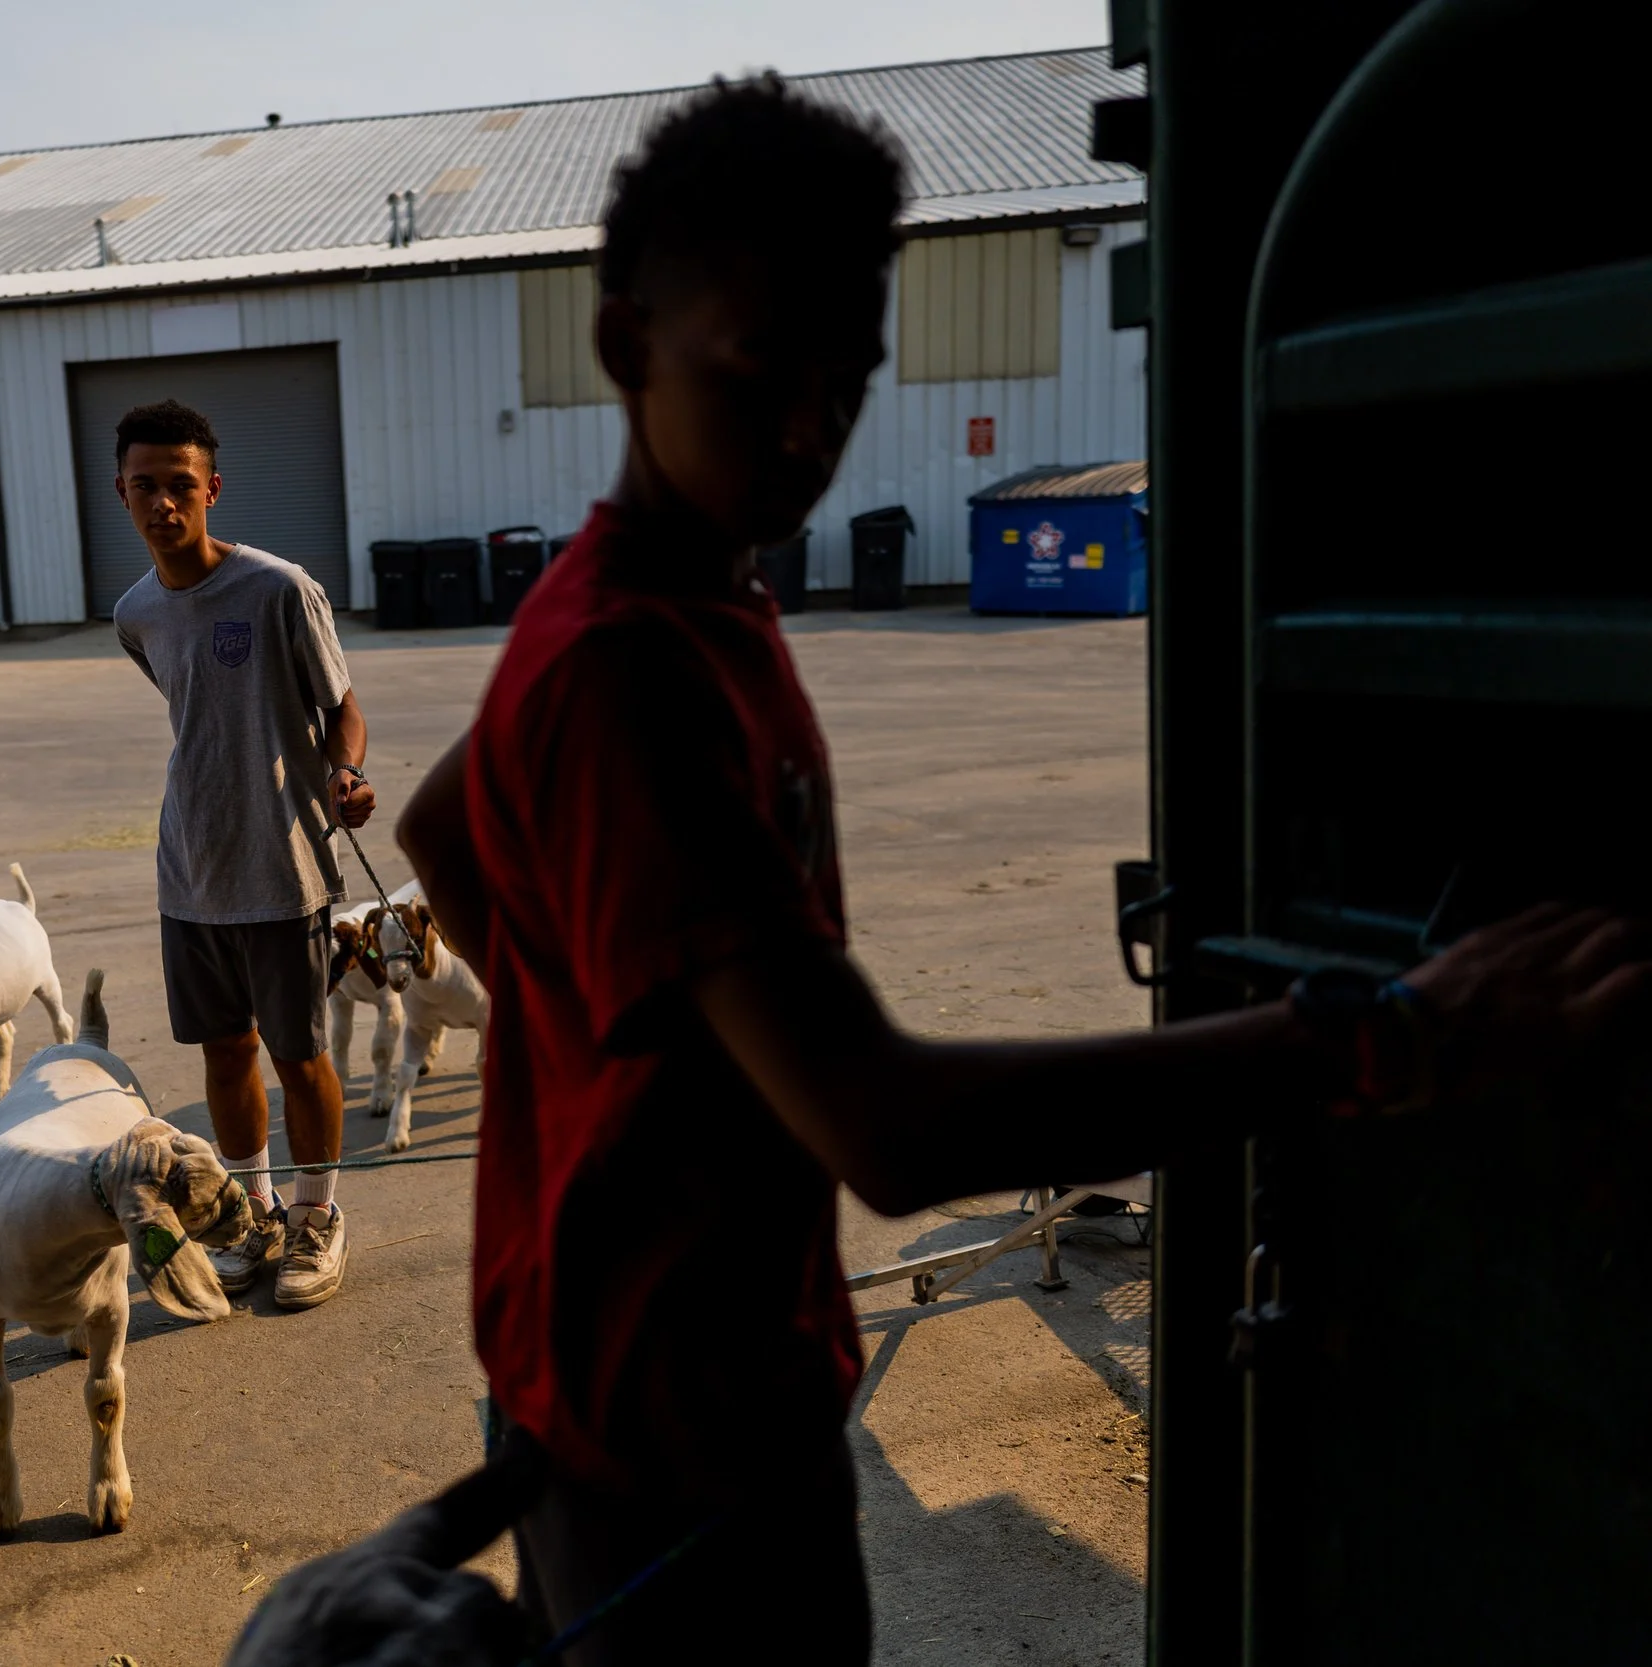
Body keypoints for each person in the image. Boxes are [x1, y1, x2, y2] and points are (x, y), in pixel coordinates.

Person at [393, 75, 1652, 1662]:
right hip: (676, 1447)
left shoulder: (674, 596)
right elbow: (889, 1127)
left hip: (622, 1394)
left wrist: (611, 1066)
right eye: (757, 366)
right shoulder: (622, 670)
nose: (807, 429)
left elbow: (449, 825)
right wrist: (1386, 1031)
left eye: (845, 380)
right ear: (624, 343)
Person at [110, 399, 376, 1310]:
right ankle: (255, 1213)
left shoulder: (277, 589)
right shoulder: (136, 612)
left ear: (212, 489)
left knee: (300, 1057)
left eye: (180, 485)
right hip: (190, 870)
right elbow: (192, 715)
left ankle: (315, 1217)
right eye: (144, 486)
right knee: (225, 1054)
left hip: (283, 866)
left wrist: (345, 773)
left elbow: (342, 707)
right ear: (122, 493)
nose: (163, 504)